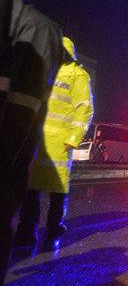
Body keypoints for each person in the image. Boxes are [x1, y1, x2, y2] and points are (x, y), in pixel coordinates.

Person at [0, 0, 63, 286]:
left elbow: (25, 94)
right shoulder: (43, 26)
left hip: (15, 135)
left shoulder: (32, 25)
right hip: (25, 136)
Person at [15, 37, 93, 247]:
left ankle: (53, 232)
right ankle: (26, 233)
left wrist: (73, 139)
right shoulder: (45, 69)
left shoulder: (78, 75)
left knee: (57, 191)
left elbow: (84, 109)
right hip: (37, 140)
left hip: (59, 143)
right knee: (31, 189)